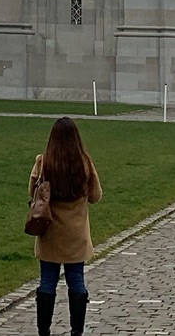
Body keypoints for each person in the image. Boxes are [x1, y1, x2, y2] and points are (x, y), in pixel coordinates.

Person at [30, 116, 102, 336]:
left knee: (48, 281)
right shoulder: (84, 162)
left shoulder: (43, 163)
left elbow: (32, 192)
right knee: (76, 280)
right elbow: (95, 196)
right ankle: (76, 331)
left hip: (50, 230)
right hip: (76, 232)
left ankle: (44, 331)